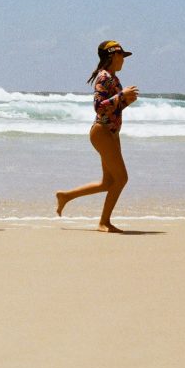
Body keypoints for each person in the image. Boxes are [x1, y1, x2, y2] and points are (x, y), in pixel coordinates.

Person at [55, 40, 139, 232]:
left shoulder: (114, 78)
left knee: (108, 182)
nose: (123, 61)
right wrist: (122, 96)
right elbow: (99, 107)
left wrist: (125, 101)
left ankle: (66, 196)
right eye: (121, 56)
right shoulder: (104, 77)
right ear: (112, 56)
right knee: (122, 178)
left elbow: (112, 109)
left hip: (111, 132)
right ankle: (104, 222)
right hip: (101, 132)